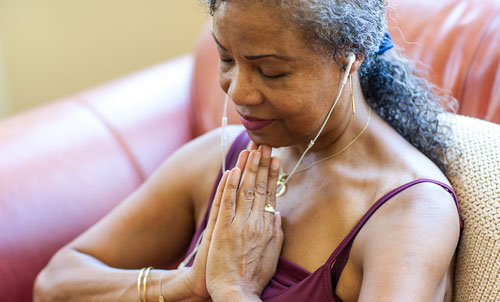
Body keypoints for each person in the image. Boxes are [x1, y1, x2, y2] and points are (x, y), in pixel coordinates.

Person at [34, 0, 462, 301]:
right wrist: (189, 284)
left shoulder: (410, 214)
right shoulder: (221, 158)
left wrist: (233, 290)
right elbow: (55, 284)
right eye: (226, 59)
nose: (238, 91)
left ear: (350, 57)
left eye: (271, 71)